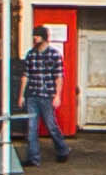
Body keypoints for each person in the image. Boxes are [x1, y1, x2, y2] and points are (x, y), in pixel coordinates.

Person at [18, 31, 71, 163]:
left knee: (51, 125)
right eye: (34, 36)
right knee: (32, 127)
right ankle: (33, 158)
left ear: (43, 37)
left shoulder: (54, 54)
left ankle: (62, 149)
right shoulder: (31, 54)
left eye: (37, 36)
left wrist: (57, 96)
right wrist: (21, 95)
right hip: (32, 95)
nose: (35, 38)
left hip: (47, 96)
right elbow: (25, 75)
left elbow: (59, 77)